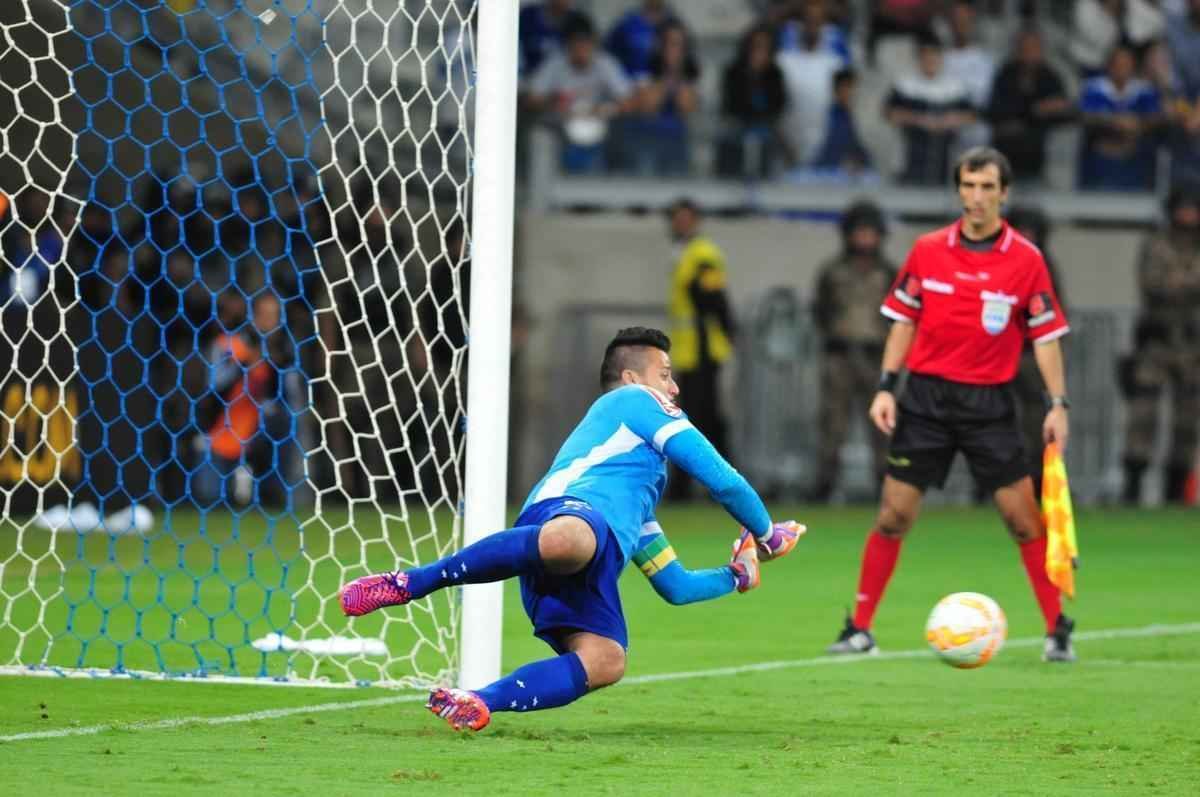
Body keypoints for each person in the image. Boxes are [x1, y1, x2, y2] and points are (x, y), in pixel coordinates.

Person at [339, 327, 805, 731]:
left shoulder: (637, 503)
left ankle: (478, 700)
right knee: (573, 540)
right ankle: (407, 583)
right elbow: (725, 480)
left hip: (586, 554)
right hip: (563, 518)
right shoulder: (633, 401)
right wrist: (767, 534)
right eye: (665, 374)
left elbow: (676, 586)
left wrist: (739, 573)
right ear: (631, 378)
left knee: (608, 660)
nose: (675, 387)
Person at [825, 147, 1077, 663]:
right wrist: (885, 387)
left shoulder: (1027, 260)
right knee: (893, 515)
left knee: (1023, 520)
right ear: (959, 190)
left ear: (1004, 193)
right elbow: (904, 321)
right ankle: (859, 628)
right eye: (969, 186)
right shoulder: (927, 250)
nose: (977, 197)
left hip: (989, 403)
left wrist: (1058, 403)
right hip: (926, 399)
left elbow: (1045, 337)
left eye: (987, 187)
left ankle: (1057, 629)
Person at [810, 200, 897, 502]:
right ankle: (824, 485)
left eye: (870, 232)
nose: (864, 239)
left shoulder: (889, 272)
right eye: (859, 232)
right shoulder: (833, 272)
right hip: (841, 355)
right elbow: (820, 310)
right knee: (832, 424)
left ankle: (885, 486)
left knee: (881, 426)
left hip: (877, 356)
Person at [1120, 186, 1200, 504]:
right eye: (1184, 208)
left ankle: (1175, 491)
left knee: (1187, 421)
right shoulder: (1157, 244)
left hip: (1193, 346)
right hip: (1157, 342)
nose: (1189, 215)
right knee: (1142, 417)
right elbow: (1156, 284)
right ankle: (1133, 487)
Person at [665, 199, 737, 500]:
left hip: (702, 352)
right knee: (701, 418)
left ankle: (707, 485)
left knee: (699, 419)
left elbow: (715, 300)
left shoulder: (702, 254)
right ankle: (711, 484)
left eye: (686, 219)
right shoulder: (686, 253)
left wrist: (729, 333)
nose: (681, 224)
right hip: (690, 351)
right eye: (677, 219)